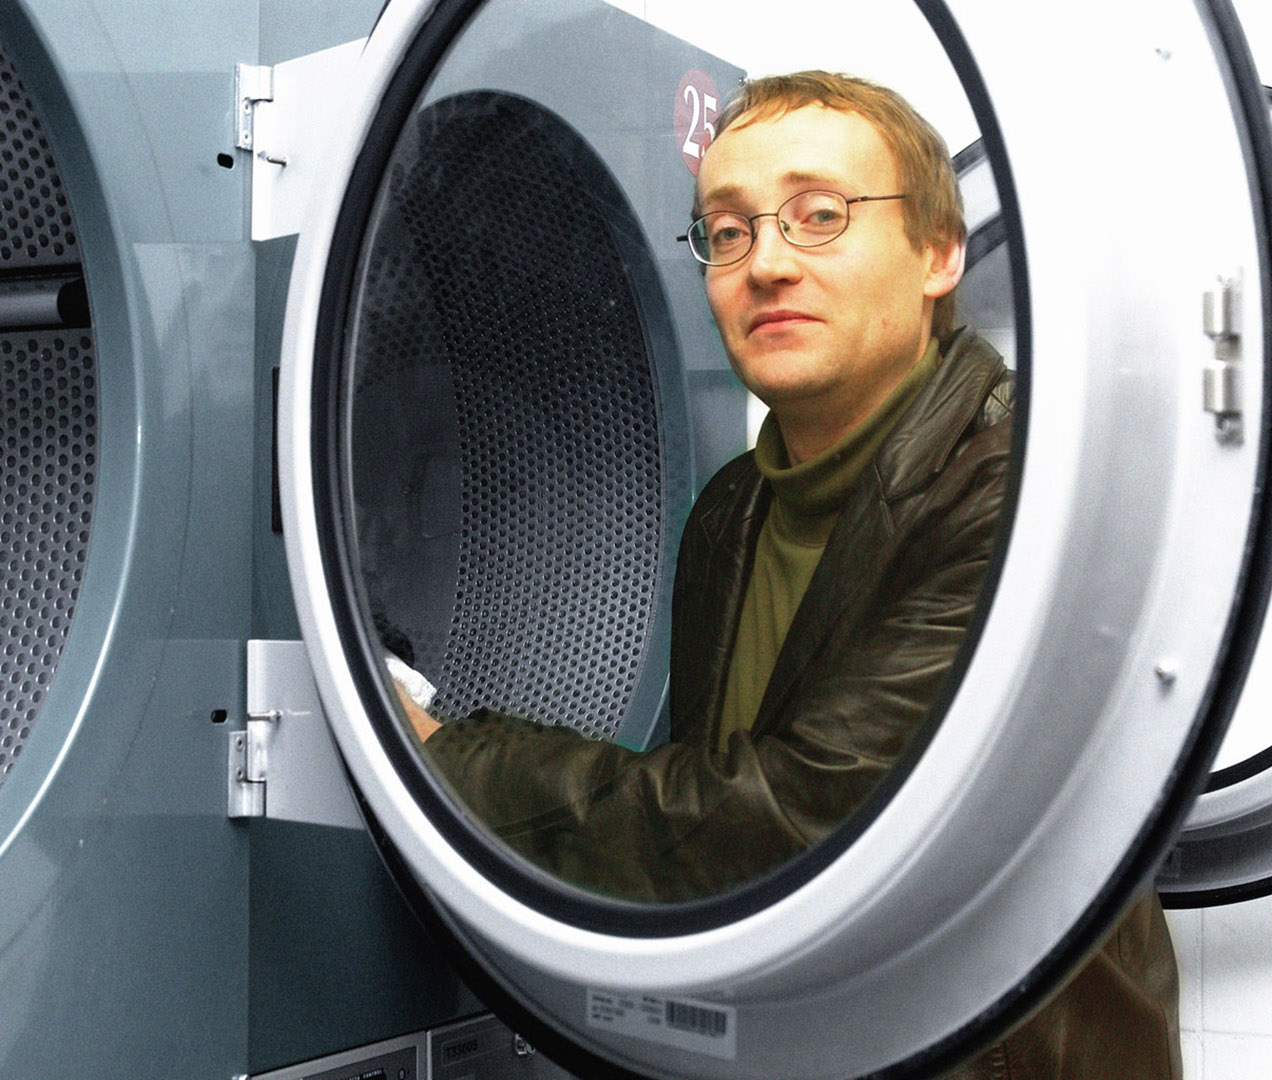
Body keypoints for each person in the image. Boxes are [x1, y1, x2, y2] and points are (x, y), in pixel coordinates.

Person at [399, 70, 1179, 1080]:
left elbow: (798, 827)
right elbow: (705, 859)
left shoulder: (1021, 492)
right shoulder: (731, 511)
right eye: (728, 232)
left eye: (820, 215)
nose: (766, 263)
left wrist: (450, 757)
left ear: (939, 254)